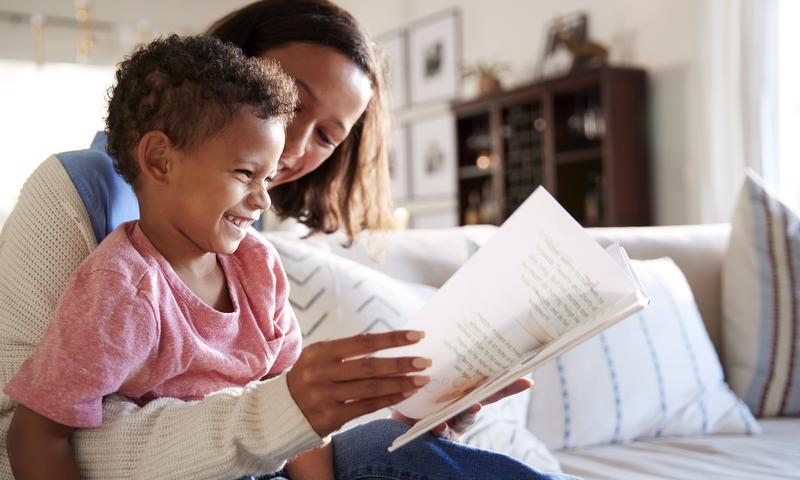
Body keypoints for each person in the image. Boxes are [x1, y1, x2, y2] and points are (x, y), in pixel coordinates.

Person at [0, 1, 579, 479]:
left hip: (269, 465)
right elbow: (28, 432)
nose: (293, 154)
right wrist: (281, 413)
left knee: (405, 454)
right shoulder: (104, 246)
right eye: (292, 101)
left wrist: (422, 411)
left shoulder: (249, 253)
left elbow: (285, 408)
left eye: (327, 135)